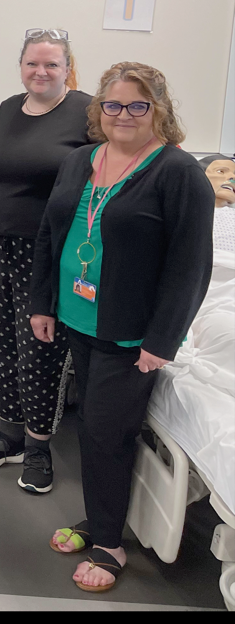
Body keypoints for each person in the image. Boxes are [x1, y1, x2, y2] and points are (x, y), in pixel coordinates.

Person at [34, 62, 213, 593]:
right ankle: (101, 518)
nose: (124, 114)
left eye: (138, 105)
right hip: (77, 318)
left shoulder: (178, 172)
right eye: (113, 104)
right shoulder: (81, 160)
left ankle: (109, 544)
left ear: (159, 110)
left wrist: (163, 339)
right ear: (99, 109)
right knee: (92, 427)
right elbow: (50, 234)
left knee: (106, 432)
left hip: (130, 332)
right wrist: (43, 304)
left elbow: (190, 265)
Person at [0, 29, 92, 493]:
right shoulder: (7, 108)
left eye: (52, 64)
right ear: (21, 66)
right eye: (32, 63)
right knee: (3, 344)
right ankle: (10, 435)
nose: (41, 72)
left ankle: (39, 446)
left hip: (49, 249)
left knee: (40, 349)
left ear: (68, 69)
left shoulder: (87, 112)